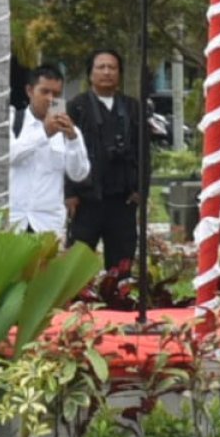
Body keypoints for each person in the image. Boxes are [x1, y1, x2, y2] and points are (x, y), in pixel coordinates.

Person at [66, 49, 143, 272]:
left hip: (123, 200)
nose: (107, 72)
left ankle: (119, 305)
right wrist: (69, 193)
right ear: (90, 74)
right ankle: (77, 304)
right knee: (76, 263)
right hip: (85, 200)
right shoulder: (74, 106)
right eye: (101, 67)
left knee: (122, 263)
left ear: (119, 73)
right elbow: (60, 151)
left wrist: (140, 188)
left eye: (112, 67)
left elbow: (143, 151)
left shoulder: (132, 107)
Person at [9, 64, 89, 235]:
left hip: (47, 224)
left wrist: (73, 140)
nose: (50, 99)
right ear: (30, 91)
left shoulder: (69, 129)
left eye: (56, 94)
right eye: (44, 92)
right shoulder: (12, 120)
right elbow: (9, 156)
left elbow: (78, 174)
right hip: (13, 221)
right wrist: (44, 133)